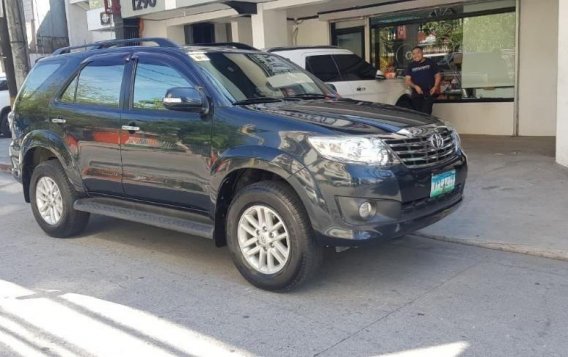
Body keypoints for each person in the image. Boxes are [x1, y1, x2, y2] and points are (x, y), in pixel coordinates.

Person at [404, 46, 442, 115]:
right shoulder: (411, 65)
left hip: (428, 93)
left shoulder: (430, 62)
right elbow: (407, 80)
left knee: (426, 114)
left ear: (422, 53)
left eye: (418, 53)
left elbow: (438, 75)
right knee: (418, 115)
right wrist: (415, 86)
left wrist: (435, 86)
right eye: (414, 54)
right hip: (416, 94)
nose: (416, 55)